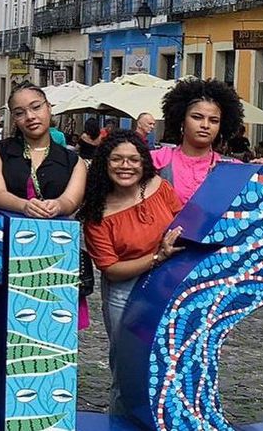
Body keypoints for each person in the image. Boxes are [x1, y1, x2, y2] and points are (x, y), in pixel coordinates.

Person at [78, 131, 183, 415]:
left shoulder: (160, 187)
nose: (126, 166)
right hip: (124, 291)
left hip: (167, 284)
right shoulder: (98, 213)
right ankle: (122, 420)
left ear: (143, 163)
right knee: (128, 369)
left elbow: (183, 223)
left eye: (133, 160)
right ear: (105, 163)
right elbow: (111, 270)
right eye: (117, 159)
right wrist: (157, 257)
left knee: (167, 361)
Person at [0, 82, 89, 327]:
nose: (30, 116)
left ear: (49, 108)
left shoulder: (73, 160)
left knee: (50, 327)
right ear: (14, 119)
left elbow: (72, 199)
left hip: (54, 253)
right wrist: (23, 205)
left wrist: (58, 206)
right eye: (20, 112)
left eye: (36, 107)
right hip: (4, 249)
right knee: (0, 325)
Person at [151, 77, 254, 205]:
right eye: (197, 117)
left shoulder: (234, 168)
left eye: (214, 120)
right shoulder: (156, 160)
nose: (205, 125)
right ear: (181, 120)